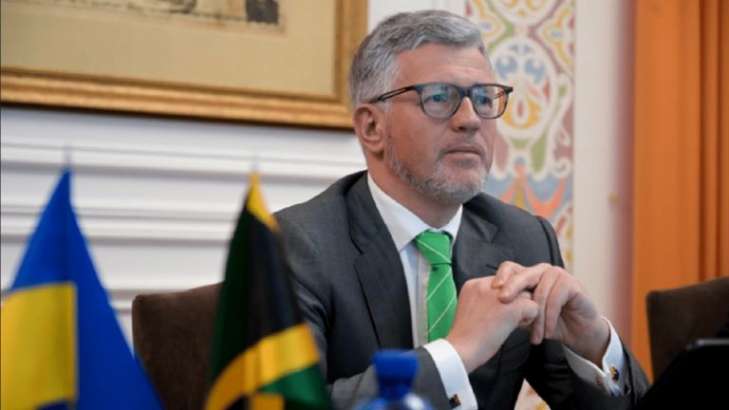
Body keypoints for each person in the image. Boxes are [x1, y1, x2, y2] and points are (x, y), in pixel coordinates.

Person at [275, 10, 648, 410]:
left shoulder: (523, 238)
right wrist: (454, 354)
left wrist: (593, 342)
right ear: (372, 128)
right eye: (439, 97)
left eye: (484, 98)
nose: (470, 120)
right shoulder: (296, 245)